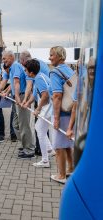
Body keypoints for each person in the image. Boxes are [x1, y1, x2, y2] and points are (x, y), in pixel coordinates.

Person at [1, 50, 35, 158]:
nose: (3, 61)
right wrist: (3, 91)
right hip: (17, 97)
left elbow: (17, 82)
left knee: (24, 125)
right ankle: (27, 144)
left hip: (21, 97)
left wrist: (17, 98)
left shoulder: (15, 66)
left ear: (11, 57)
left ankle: (29, 150)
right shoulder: (12, 68)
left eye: (4, 58)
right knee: (15, 124)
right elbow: (12, 83)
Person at [49, 46, 74, 184]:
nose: (49, 57)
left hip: (62, 112)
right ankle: (71, 168)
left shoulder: (55, 72)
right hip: (71, 111)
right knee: (67, 143)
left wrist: (56, 119)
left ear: (59, 56)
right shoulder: (69, 70)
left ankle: (61, 175)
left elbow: (57, 95)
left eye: (52, 55)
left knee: (59, 146)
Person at [24, 59, 54, 167]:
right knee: (39, 127)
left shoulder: (39, 79)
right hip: (47, 107)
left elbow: (45, 96)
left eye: (26, 70)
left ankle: (45, 160)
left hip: (48, 107)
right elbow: (35, 94)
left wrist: (38, 109)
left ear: (31, 72)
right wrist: (27, 103)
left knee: (40, 131)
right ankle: (50, 149)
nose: (25, 72)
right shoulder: (38, 77)